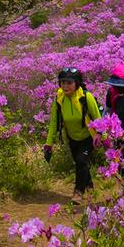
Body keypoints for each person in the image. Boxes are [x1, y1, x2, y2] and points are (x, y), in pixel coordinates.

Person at [44, 67, 102, 205]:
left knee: (81, 161)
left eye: (69, 82)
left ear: (76, 83)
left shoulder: (86, 97)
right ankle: (89, 187)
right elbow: (54, 121)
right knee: (80, 162)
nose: (65, 86)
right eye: (62, 82)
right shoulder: (59, 98)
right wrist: (48, 144)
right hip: (72, 137)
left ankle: (78, 192)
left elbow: (98, 119)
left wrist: (103, 138)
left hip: (89, 136)